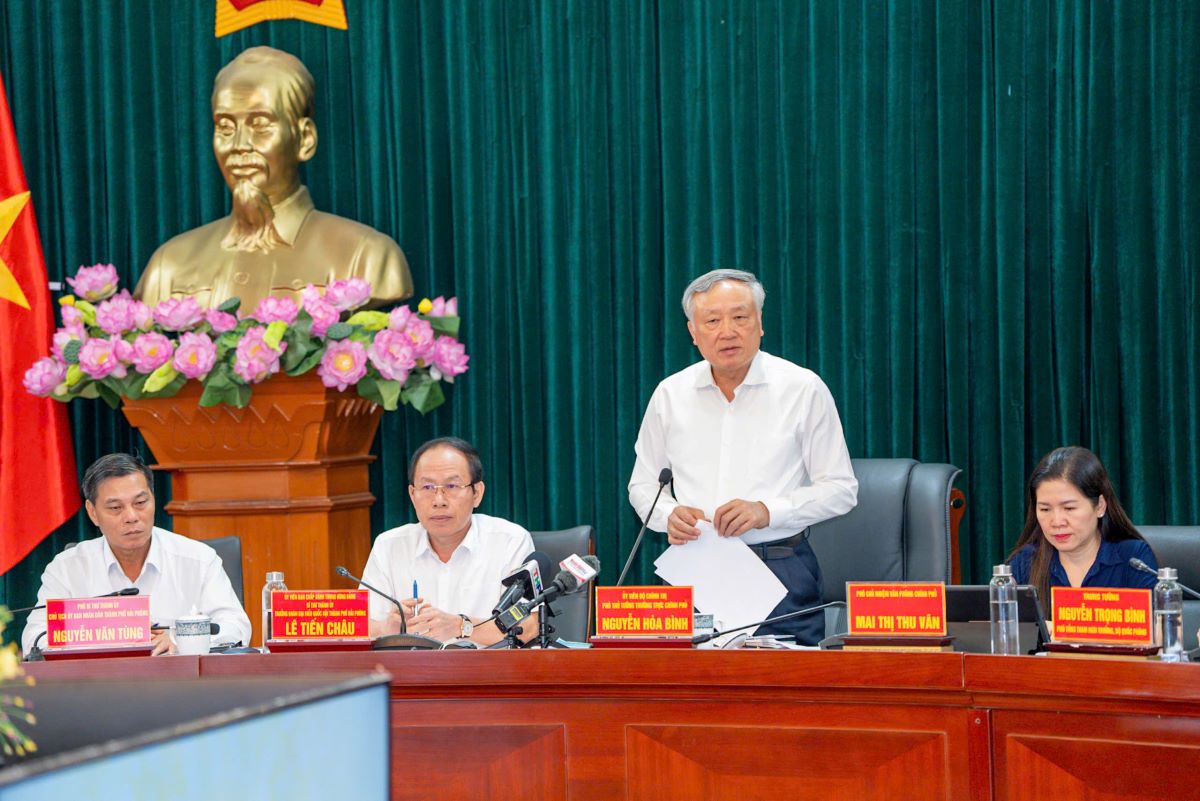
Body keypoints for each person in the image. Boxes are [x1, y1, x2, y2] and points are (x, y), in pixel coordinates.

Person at [628, 268, 858, 645]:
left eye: (740, 317)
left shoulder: (802, 389)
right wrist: (669, 514)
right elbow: (642, 485)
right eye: (713, 321)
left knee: (783, 696)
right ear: (693, 332)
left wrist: (767, 510)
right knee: (687, 696)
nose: (727, 331)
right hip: (694, 567)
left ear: (760, 322)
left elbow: (841, 489)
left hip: (779, 569)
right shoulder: (670, 395)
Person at [134, 46, 412, 310]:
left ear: (304, 139)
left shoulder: (366, 257)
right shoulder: (168, 265)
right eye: (225, 127)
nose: (239, 144)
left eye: (260, 124)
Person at [21, 454, 251, 656]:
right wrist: (104, 638)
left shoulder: (198, 559)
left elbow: (236, 626)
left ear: (153, 499)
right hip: (97, 692)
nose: (131, 516)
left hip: (181, 690)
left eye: (140, 502)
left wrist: (180, 640)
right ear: (92, 513)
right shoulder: (67, 568)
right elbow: (35, 638)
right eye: (115, 508)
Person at [359, 437, 539, 645]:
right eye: (427, 487)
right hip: (412, 674)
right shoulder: (389, 546)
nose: (439, 501)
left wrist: (460, 627)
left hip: (488, 673)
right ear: (412, 495)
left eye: (452, 486)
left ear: (477, 493)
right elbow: (361, 627)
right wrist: (388, 628)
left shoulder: (510, 541)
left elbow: (529, 626)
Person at [1008, 446, 1158, 606]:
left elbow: (1157, 627)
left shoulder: (1134, 560)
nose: (1057, 522)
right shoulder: (1024, 562)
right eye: (1045, 509)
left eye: (1069, 508)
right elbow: (997, 626)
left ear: (1100, 506)